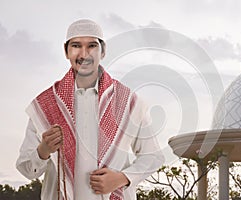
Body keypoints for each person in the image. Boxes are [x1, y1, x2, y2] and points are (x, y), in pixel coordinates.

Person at [16, 19, 164, 200]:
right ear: (66, 51)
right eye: (76, 45)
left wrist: (122, 178)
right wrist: (44, 150)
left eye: (92, 46)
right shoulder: (45, 106)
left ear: (103, 51)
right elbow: (26, 169)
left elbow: (154, 157)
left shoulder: (129, 102)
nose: (84, 53)